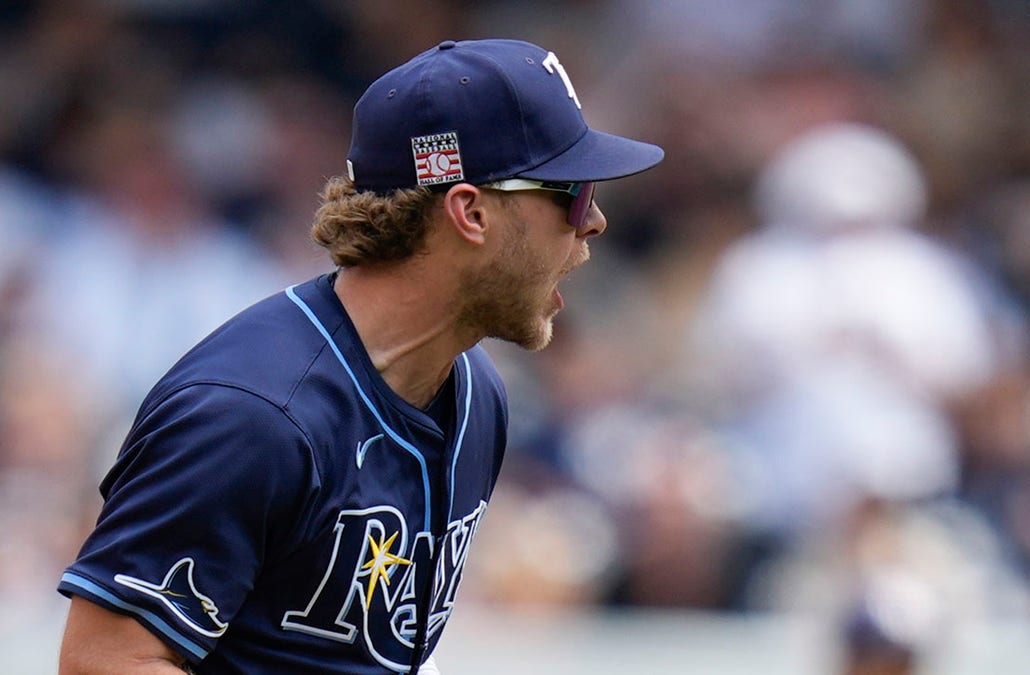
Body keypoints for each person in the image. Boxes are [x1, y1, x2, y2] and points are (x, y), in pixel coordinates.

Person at [56, 38, 663, 674]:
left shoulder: (477, 392)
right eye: (573, 189)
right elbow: (101, 663)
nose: (592, 221)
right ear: (472, 211)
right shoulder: (252, 416)